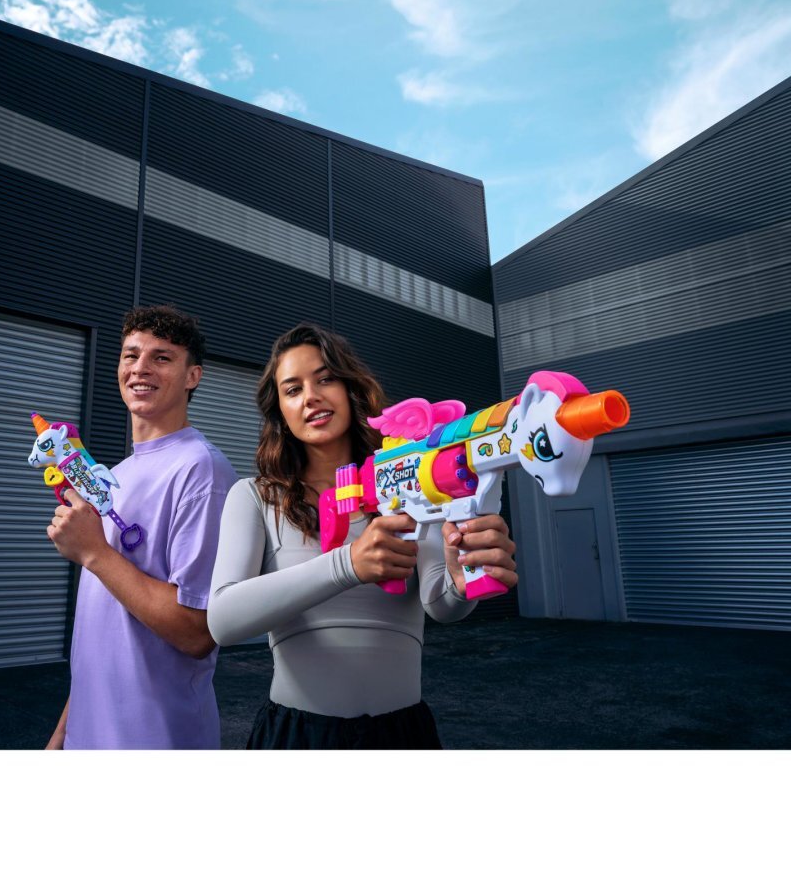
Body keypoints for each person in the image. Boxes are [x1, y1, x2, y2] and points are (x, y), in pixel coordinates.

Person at [207, 323, 518, 749]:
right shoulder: (255, 496)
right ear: (279, 411)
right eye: (293, 389)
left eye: (325, 379)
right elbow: (223, 622)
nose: (311, 396)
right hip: (297, 738)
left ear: (350, 389)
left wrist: (462, 581)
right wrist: (348, 564)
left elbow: (441, 604)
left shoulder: (408, 480)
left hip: (403, 735)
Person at [45, 305, 238, 749]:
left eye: (161, 357)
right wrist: (63, 733)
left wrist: (94, 552)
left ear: (193, 376)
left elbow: (197, 632)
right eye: (131, 355)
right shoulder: (117, 475)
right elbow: (104, 633)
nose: (140, 368)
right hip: (87, 738)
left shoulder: (201, 471)